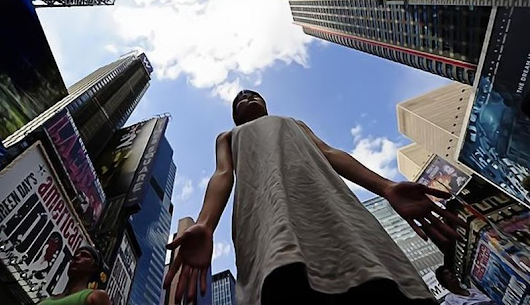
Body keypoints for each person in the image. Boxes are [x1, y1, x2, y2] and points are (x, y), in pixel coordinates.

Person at [164, 90, 463, 304]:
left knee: (375, 274)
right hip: (265, 217)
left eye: (253, 94)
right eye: (240, 98)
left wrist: (385, 187)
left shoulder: (293, 123)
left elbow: (330, 153)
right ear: (233, 115)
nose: (246, 96)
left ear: (267, 104)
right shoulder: (228, 137)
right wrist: (205, 223)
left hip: (330, 206)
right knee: (283, 278)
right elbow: (222, 175)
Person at [39, 245, 110, 305]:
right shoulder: (47, 300)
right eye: (76, 254)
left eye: (85, 255)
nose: (76, 257)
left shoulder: (96, 296)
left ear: (94, 267)